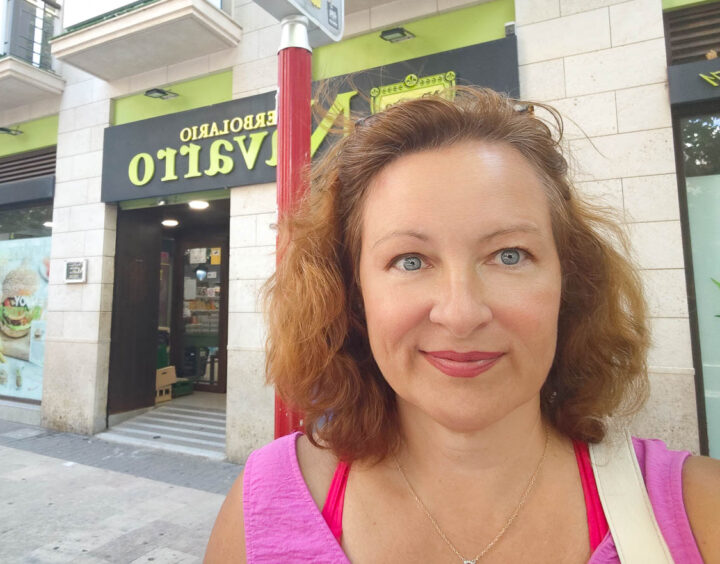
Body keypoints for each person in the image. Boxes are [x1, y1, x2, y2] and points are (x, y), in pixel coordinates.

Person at [205, 87, 720, 563]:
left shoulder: (701, 512)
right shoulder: (261, 505)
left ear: (570, 281)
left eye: (510, 255)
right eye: (410, 260)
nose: (461, 313)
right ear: (353, 294)